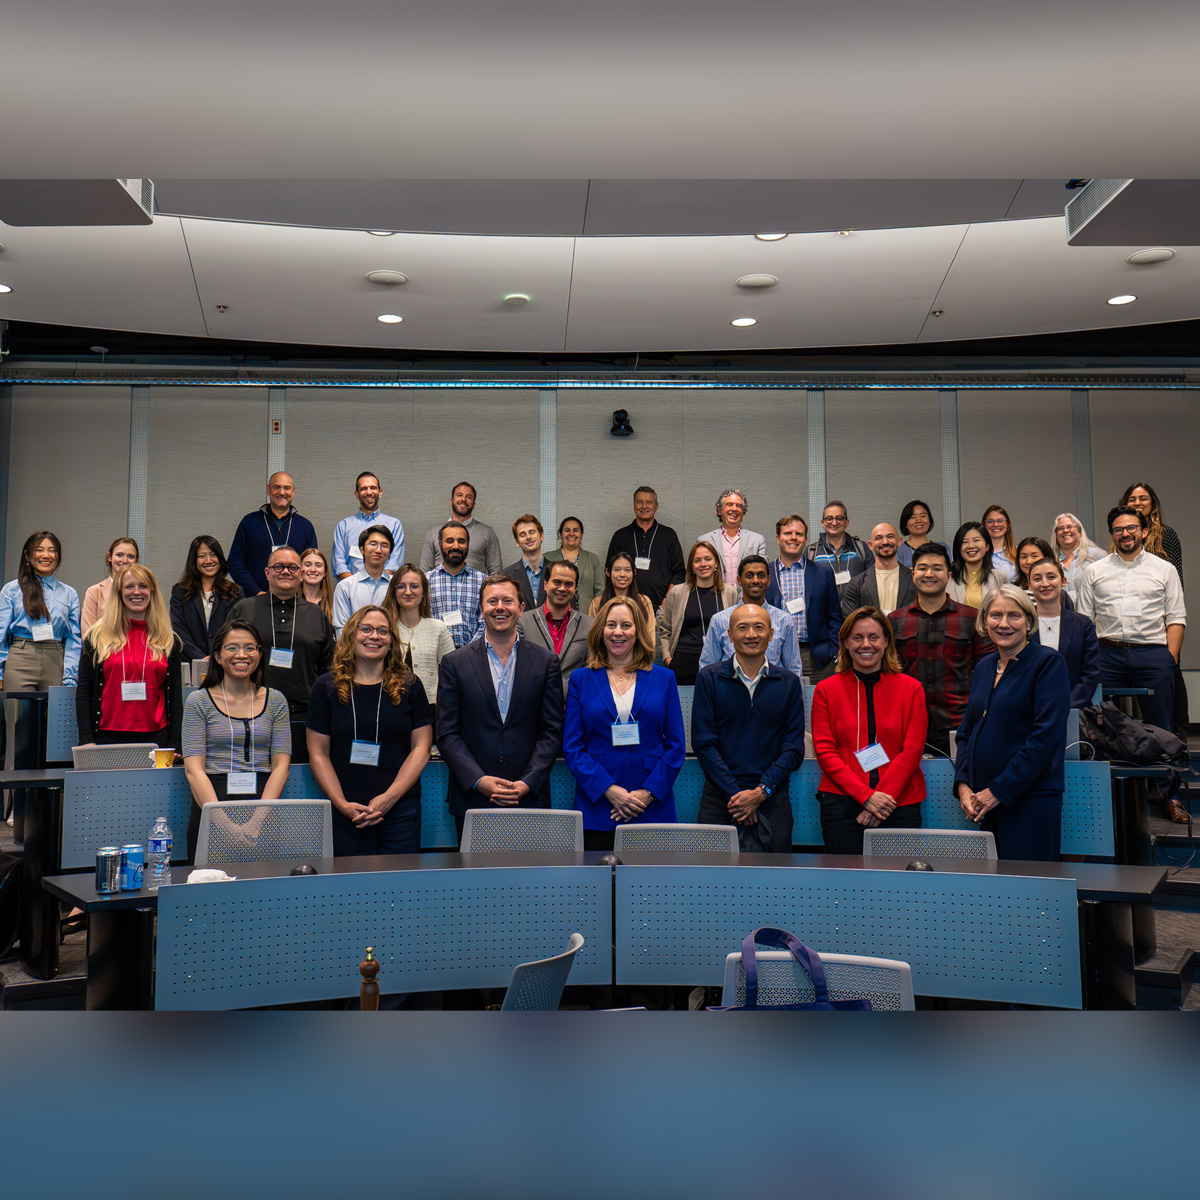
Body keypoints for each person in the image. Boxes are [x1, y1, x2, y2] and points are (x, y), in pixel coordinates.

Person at [436, 574, 565, 845]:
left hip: (529, 795)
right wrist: (478, 780)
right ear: (481, 609)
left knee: (530, 885)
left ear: (521, 607)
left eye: (508, 600)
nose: (500, 607)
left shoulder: (546, 662)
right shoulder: (454, 663)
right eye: (492, 601)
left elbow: (551, 731)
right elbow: (447, 733)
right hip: (473, 795)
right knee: (476, 884)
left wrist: (528, 781)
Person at [1077, 506, 1186, 819]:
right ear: (1112, 535)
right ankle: (1102, 797)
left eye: (1131, 528)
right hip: (1106, 653)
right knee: (1097, 724)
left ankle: (1168, 796)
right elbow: (1086, 620)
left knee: (1162, 726)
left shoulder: (1163, 569)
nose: (1125, 533)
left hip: (1152, 653)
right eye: (1118, 529)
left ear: (1144, 531)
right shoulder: (1095, 572)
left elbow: (1176, 617)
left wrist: (1170, 658)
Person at [954, 585, 1071, 861]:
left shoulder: (1048, 663)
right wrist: (962, 784)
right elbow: (966, 733)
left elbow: (1045, 739)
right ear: (985, 621)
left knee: (1029, 891)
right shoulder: (984, 666)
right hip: (982, 802)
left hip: (1029, 801)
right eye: (995, 615)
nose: (1003, 624)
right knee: (991, 895)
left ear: (1029, 621)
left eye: (1014, 616)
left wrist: (999, 790)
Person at [307, 607, 433, 856]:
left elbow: (422, 747)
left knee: (401, 886)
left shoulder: (410, 685)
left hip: (400, 808)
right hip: (347, 809)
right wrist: (342, 805)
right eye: (366, 629)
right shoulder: (326, 687)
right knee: (351, 891)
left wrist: (389, 798)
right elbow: (318, 753)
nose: (374, 636)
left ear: (391, 641)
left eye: (382, 631)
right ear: (352, 635)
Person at [562, 597, 685, 851]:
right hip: (598, 807)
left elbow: (676, 747)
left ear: (638, 631)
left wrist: (647, 793)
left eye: (626, 625)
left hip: (651, 808)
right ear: (600, 631)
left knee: (651, 888)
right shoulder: (580, 679)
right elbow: (573, 747)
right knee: (598, 887)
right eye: (611, 625)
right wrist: (609, 790)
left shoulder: (664, 678)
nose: (618, 632)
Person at [810, 606, 928, 854]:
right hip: (842, 804)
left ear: (886, 641)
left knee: (898, 887)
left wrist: (882, 798)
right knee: (847, 885)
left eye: (873, 637)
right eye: (857, 637)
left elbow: (913, 750)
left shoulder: (912, 688)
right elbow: (825, 751)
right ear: (845, 642)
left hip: (898, 803)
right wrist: (865, 796)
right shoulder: (825, 690)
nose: (866, 644)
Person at [692, 604, 806, 851]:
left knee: (774, 885)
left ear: (772, 634)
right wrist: (737, 797)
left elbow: (794, 748)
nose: (751, 634)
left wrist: (761, 792)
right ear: (730, 636)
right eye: (742, 628)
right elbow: (703, 743)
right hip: (721, 799)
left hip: (772, 798)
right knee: (712, 882)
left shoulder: (788, 683)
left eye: (759, 627)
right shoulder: (708, 679)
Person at [181, 619, 291, 862]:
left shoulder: (276, 701)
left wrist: (256, 822)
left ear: (260, 655)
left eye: (250, 648)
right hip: (212, 803)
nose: (242, 654)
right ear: (218, 657)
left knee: (263, 895)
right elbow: (193, 770)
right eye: (232, 647)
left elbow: (282, 765)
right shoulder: (198, 702)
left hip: (264, 808)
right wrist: (225, 827)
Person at [230, 545, 335, 763]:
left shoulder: (316, 614)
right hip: (251, 712)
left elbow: (329, 668)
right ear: (267, 573)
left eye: (292, 567)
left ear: (301, 574)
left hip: (303, 715)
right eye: (278, 566)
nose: (285, 571)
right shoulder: (244, 609)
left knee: (300, 780)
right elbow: (225, 658)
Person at [889, 544, 991, 758]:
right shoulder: (894, 621)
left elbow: (987, 673)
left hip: (959, 723)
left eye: (937, 568)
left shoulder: (972, 618)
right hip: (907, 724)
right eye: (923, 568)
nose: (929, 574)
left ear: (949, 575)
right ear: (912, 572)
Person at [0, 533, 82, 790]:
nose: (46, 555)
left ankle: (48, 799)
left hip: (56, 659)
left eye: (52, 550)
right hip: (20, 656)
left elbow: (75, 639)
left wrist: (70, 675)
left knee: (54, 733)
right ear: (28, 554)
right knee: (19, 734)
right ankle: (15, 806)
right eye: (39, 549)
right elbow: (1, 632)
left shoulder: (69, 593)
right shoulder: (12, 589)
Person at [76, 564, 184, 750]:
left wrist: (176, 741)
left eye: (143, 586)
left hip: (156, 738)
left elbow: (174, 697)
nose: (136, 592)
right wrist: (86, 738)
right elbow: (84, 691)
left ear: (152, 592)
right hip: (105, 736)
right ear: (118, 592)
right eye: (129, 586)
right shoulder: (96, 637)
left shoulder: (168, 640)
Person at [763, 515, 840, 682]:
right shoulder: (765, 574)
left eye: (798, 534)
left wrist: (834, 652)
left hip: (816, 657)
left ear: (805, 539)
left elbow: (835, 617)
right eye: (787, 533)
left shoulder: (823, 573)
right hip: (775, 655)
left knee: (819, 705)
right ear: (778, 538)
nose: (793, 538)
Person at [699, 556, 802, 675]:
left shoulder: (784, 620)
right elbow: (707, 667)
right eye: (749, 576)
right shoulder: (720, 620)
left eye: (761, 575)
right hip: (730, 689)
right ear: (739, 580)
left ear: (768, 580)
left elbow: (794, 668)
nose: (755, 580)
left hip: (773, 690)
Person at [658, 541, 738, 685]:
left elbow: (735, 630)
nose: (703, 564)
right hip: (683, 662)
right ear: (692, 567)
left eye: (708, 559)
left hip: (720, 661)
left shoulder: (730, 593)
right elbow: (665, 631)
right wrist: (667, 659)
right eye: (697, 560)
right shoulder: (677, 592)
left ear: (716, 565)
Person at [227, 472, 319, 596]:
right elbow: (235, 563)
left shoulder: (305, 526)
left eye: (286, 488)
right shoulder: (249, 522)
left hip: (295, 601)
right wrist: (256, 592)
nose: (282, 492)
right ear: (268, 489)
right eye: (276, 487)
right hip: (255, 600)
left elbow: (310, 566)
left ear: (293, 491)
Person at [1027, 558, 1101, 708]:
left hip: (1073, 710)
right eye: (1037, 579)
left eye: (1051, 577)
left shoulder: (1083, 624)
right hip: (1028, 711)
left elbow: (1091, 673)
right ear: (1029, 585)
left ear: (1063, 581)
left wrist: (1068, 706)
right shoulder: (1022, 625)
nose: (1045, 583)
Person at [381, 564, 455, 708]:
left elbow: (453, 673)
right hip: (390, 704)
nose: (408, 592)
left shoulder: (438, 628)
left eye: (414, 586)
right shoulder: (384, 628)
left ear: (423, 592)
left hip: (430, 707)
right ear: (394, 591)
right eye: (401, 586)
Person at [518, 560, 594, 693]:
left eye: (569, 584)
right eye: (557, 582)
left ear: (575, 588)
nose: (562, 588)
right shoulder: (523, 622)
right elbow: (519, 670)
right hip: (534, 706)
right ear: (545, 584)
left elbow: (591, 672)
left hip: (574, 705)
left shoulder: (589, 625)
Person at [605, 485, 686, 611]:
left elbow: (679, 571)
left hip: (661, 607)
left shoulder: (669, 535)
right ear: (634, 505)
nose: (644, 506)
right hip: (625, 606)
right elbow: (609, 572)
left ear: (656, 506)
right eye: (639, 502)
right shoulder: (620, 536)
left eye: (649, 502)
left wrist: (668, 599)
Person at [170, 535, 244, 661]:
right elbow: (179, 629)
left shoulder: (235, 592)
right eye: (202, 556)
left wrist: (218, 656)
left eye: (213, 554)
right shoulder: (180, 591)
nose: (208, 560)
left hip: (225, 661)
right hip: (190, 660)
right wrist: (201, 658)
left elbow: (237, 628)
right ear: (193, 560)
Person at [418, 480, 503, 576]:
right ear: (451, 501)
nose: (463, 499)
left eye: (469, 497)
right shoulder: (433, 533)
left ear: (474, 504)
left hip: (476, 589)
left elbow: (496, 572)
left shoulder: (487, 532)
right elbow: (424, 572)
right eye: (459, 495)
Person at [331, 471, 405, 579]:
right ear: (357, 494)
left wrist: (377, 585)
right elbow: (339, 566)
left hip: (385, 590)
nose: (369, 492)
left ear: (380, 492)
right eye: (364, 488)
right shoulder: (343, 526)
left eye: (373, 488)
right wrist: (356, 587)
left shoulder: (394, 525)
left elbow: (395, 565)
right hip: (351, 592)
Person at [427, 520, 486, 648]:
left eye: (461, 541)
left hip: (473, 656)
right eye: (449, 541)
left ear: (468, 545)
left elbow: (487, 622)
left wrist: (469, 651)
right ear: (439, 545)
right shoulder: (426, 581)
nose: (455, 546)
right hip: (435, 655)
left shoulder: (483, 582)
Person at [839, 523, 917, 618]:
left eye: (890, 536)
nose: (885, 542)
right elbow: (851, 622)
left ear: (899, 541)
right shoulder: (856, 584)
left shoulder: (915, 580)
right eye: (878, 538)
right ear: (870, 545)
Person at [698, 488, 768, 591]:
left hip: (747, 600)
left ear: (743, 511)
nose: (734, 509)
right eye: (729, 504)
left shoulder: (758, 540)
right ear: (719, 510)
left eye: (739, 506)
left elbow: (763, 573)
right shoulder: (704, 541)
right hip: (716, 600)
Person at [332, 524, 395, 634]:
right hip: (353, 650)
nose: (378, 550)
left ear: (389, 553)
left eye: (384, 546)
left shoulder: (396, 585)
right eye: (373, 544)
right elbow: (341, 629)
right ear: (362, 549)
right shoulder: (345, 586)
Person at [1120, 482, 1183, 587]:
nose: (1137, 503)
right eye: (1132, 500)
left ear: (1152, 503)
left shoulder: (1165, 534)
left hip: (1156, 597)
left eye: (1143, 499)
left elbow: (1176, 576)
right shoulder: (1122, 534)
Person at [806, 500, 872, 592]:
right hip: (825, 606)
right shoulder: (811, 552)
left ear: (846, 522)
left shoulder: (861, 548)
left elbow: (872, 581)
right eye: (829, 518)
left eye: (839, 518)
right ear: (823, 523)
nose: (834, 523)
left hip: (857, 606)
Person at [81, 537, 140, 635]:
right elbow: (88, 634)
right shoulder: (94, 592)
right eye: (119, 555)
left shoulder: (143, 593)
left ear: (136, 560)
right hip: (103, 649)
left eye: (130, 556)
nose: (125, 560)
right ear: (109, 557)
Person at [589, 550, 656, 633]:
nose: (622, 575)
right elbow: (593, 637)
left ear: (634, 573)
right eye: (617, 570)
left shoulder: (644, 602)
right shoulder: (597, 603)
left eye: (627, 570)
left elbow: (650, 638)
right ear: (608, 572)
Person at [544, 516, 603, 611]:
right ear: (561, 534)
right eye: (567, 530)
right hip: (555, 613)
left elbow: (600, 591)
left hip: (586, 614)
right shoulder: (548, 558)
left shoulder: (592, 559)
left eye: (575, 530)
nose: (571, 534)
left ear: (581, 534)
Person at [947, 520, 1006, 608]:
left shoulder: (999, 577)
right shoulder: (948, 578)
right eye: (964, 542)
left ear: (987, 546)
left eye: (976, 540)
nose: (971, 546)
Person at [1052, 512, 1105, 602]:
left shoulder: (1095, 554)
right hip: (1061, 613)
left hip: (1089, 612)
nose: (1065, 531)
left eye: (1069, 527)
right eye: (1061, 528)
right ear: (1056, 534)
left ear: (1079, 532)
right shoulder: (1051, 559)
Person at [503, 514, 549, 611]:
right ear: (517, 542)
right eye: (522, 534)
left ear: (542, 536)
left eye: (532, 532)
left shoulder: (557, 571)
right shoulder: (506, 576)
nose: (528, 537)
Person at [895, 500, 950, 569]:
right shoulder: (898, 550)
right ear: (905, 523)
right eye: (913, 517)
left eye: (923, 516)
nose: (918, 520)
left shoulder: (942, 548)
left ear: (929, 521)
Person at [982, 504, 1018, 582]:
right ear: (984, 525)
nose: (995, 524)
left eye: (1000, 521)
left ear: (1007, 524)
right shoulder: (979, 553)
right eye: (990, 521)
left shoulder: (1018, 552)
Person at [300, 548, 335, 622]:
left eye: (318, 565)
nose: (313, 569)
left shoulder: (334, 604)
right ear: (300, 571)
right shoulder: (291, 601)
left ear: (325, 572)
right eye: (307, 565)